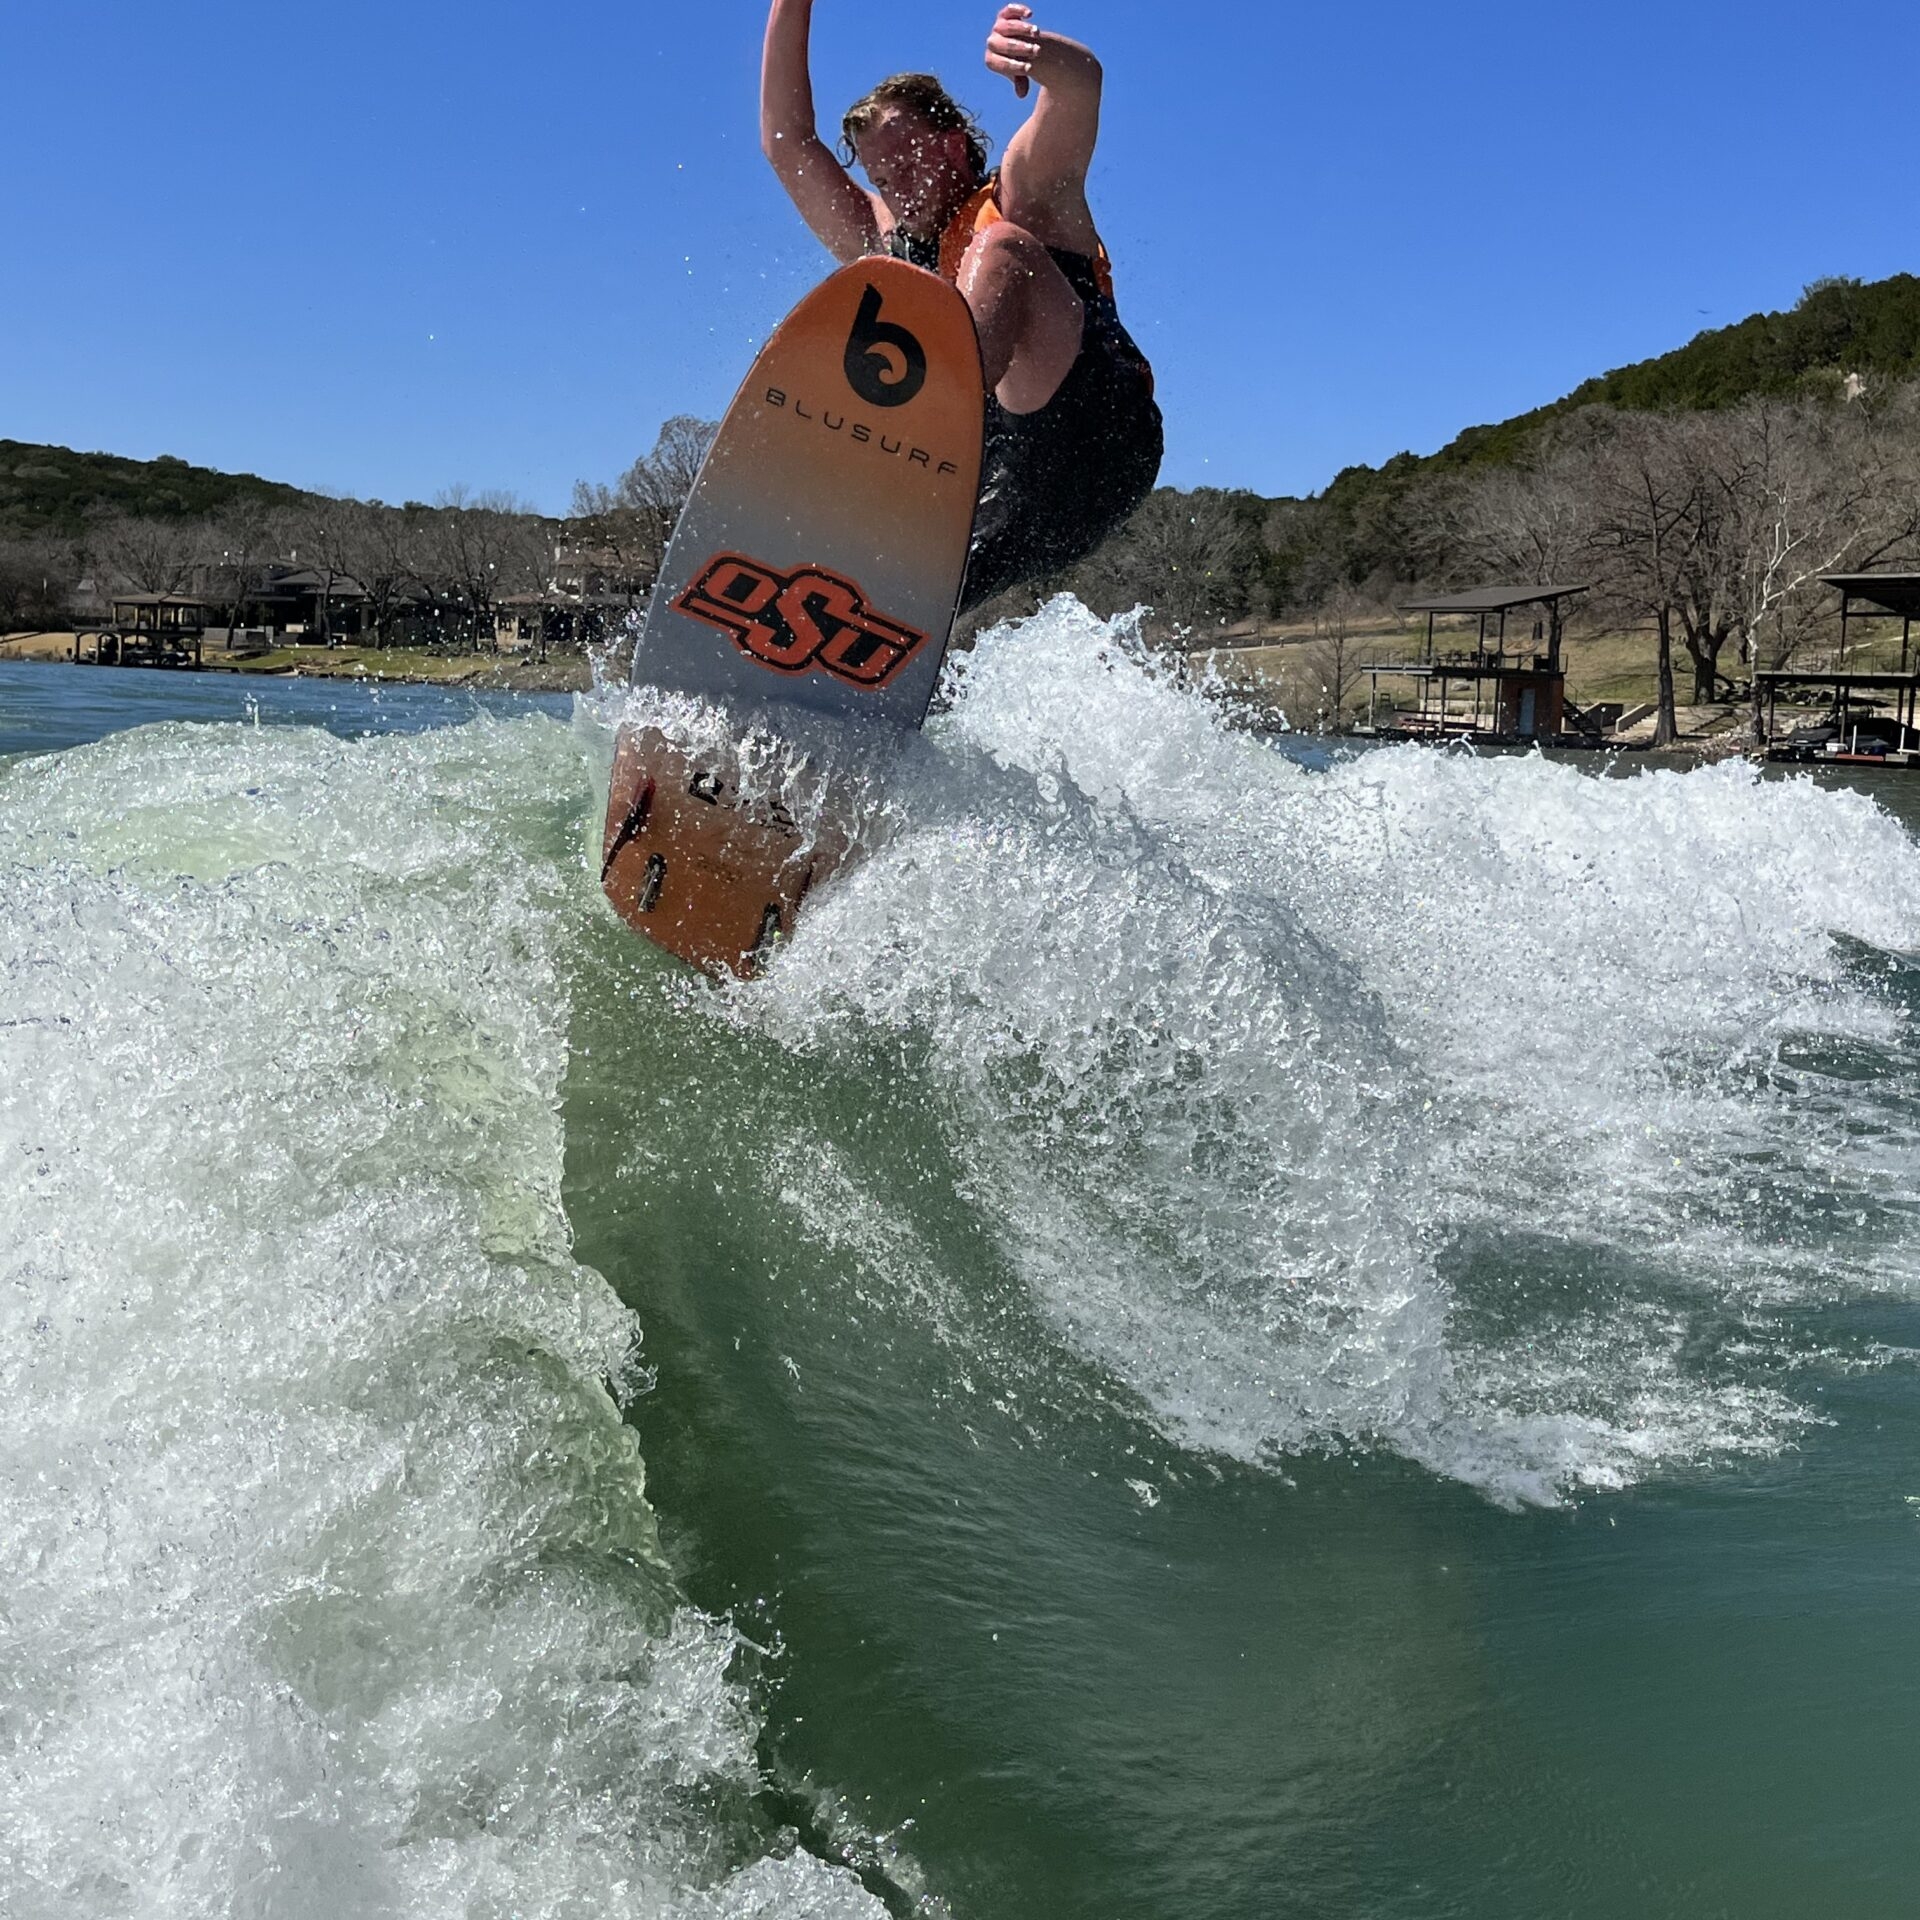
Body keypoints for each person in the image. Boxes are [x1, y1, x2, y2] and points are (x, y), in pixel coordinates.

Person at [761, 1, 1163, 611]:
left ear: (952, 146)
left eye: (904, 165)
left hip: (1102, 439)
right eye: (881, 177)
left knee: (1000, 249)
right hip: (1010, 498)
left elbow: (1082, 85)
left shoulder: (1025, 191)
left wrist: (1035, 53)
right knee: (887, 602)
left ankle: (904, 460)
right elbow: (786, 141)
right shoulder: (891, 242)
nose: (894, 189)